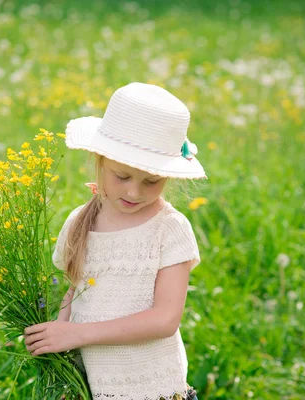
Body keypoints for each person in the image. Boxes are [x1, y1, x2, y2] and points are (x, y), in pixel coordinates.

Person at [24, 82, 206, 400]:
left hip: (152, 389)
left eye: (151, 181)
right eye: (121, 177)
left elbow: (165, 319)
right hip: (92, 386)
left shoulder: (170, 229)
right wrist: (57, 336)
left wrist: (78, 334)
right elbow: (75, 290)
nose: (134, 192)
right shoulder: (80, 222)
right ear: (100, 159)